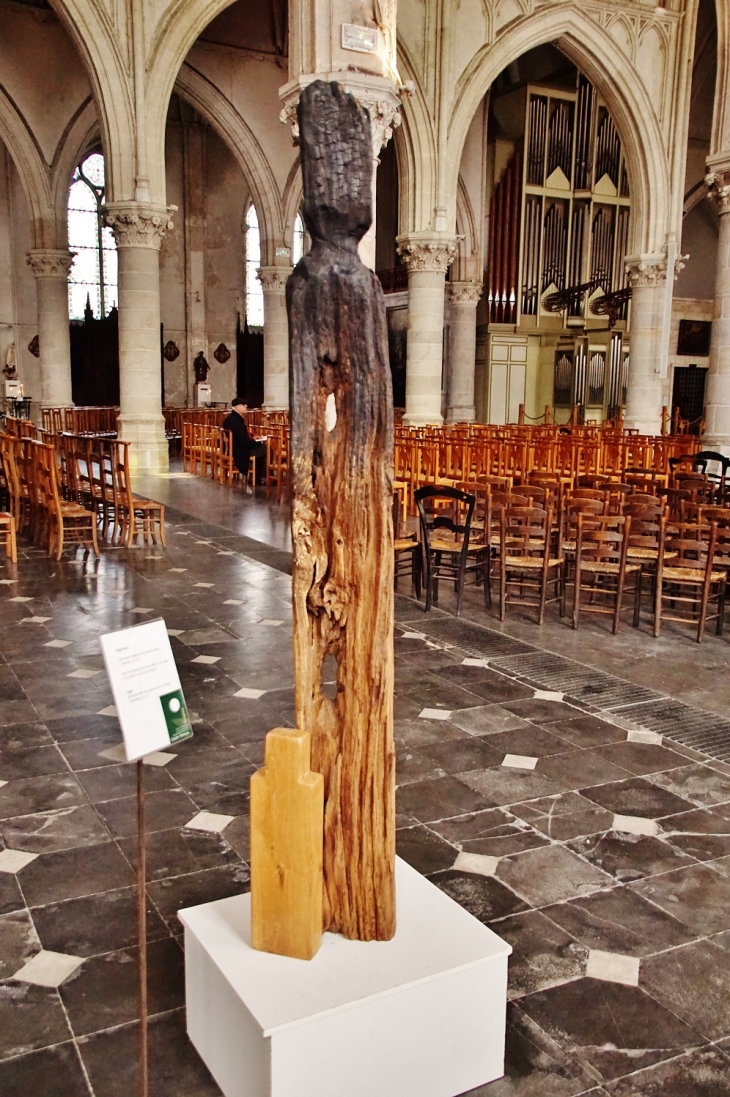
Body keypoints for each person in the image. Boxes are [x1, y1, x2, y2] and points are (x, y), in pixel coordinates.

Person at [223, 398, 267, 484]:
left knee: (262, 448)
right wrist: (258, 442)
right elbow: (243, 442)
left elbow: (241, 435)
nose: (246, 406)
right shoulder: (235, 421)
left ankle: (258, 476)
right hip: (239, 451)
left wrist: (253, 437)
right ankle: (259, 478)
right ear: (237, 406)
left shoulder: (232, 418)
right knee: (265, 449)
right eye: (243, 404)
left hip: (235, 448)